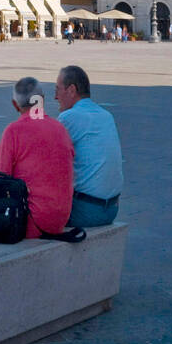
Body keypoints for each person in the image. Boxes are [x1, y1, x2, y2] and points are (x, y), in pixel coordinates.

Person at [0, 77, 75, 237]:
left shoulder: (14, 131)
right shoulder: (60, 128)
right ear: (42, 100)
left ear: (15, 104)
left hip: (30, 222)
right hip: (60, 219)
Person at [55, 66, 124, 227]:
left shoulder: (69, 117)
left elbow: (46, 161)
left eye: (57, 90)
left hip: (86, 211)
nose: (55, 97)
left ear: (72, 90)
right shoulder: (106, 116)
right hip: (111, 209)